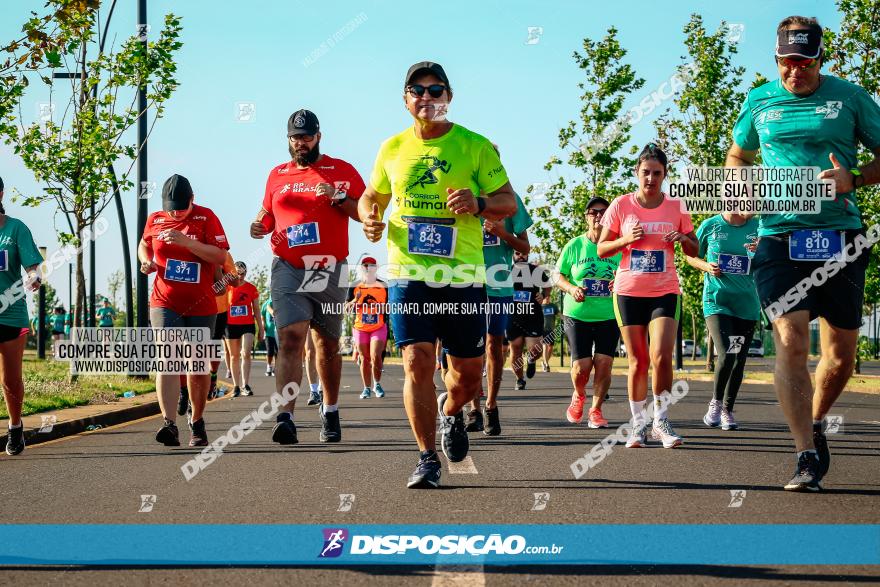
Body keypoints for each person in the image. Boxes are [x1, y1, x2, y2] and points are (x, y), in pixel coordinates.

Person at [726, 16, 880, 491]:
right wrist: (737, 195)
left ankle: (815, 420)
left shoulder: (850, 98)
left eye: (804, 62)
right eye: (786, 62)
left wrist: (854, 178)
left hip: (840, 235)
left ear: (820, 59)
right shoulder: (759, 100)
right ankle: (805, 454)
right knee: (790, 343)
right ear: (776, 59)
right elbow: (738, 156)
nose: (795, 72)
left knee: (840, 356)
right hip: (778, 237)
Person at [359, 61, 516, 488]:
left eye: (436, 90)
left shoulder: (474, 146)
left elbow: (508, 202)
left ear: (448, 97)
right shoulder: (391, 148)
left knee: (467, 377)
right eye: (418, 90)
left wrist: (480, 204)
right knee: (416, 362)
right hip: (409, 275)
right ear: (406, 98)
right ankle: (426, 457)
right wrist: (370, 218)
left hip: (463, 276)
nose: (426, 97)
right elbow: (370, 197)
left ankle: (451, 411)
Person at [250, 108, 365, 444]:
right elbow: (268, 212)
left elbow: (364, 212)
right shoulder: (277, 174)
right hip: (287, 265)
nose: (300, 143)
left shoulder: (340, 170)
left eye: (306, 136)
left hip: (326, 266)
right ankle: (285, 417)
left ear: (318, 136)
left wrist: (338, 197)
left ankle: (330, 410)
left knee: (327, 344)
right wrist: (259, 225)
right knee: (290, 338)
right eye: (295, 137)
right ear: (288, 139)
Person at [598, 144, 698, 449]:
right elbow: (602, 248)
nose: (651, 178)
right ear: (636, 173)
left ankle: (661, 421)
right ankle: (638, 424)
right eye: (645, 172)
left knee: (661, 356)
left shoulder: (676, 207)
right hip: (628, 292)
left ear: (665, 175)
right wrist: (627, 239)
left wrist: (683, 238)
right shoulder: (621, 205)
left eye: (657, 173)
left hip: (664, 290)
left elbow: (694, 248)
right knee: (638, 361)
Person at [139, 174, 229, 447]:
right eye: (171, 208)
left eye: (181, 207)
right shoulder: (155, 219)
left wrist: (186, 242)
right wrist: (146, 261)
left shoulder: (206, 217)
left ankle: (197, 420)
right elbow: (144, 243)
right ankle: (168, 423)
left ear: (192, 200)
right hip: (165, 300)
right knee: (167, 358)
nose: (175, 213)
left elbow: (220, 256)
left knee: (196, 364)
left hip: (201, 302)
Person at [465, 186, 532, 435]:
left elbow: (524, 248)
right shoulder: (465, 198)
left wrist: (503, 233)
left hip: (498, 285)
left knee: (493, 344)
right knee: (472, 345)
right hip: (466, 282)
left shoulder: (511, 202)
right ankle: (474, 408)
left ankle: (491, 406)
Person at [686, 213, 761, 431]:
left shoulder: (759, 226)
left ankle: (728, 410)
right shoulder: (711, 225)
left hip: (746, 306)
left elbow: (769, 260)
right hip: (717, 301)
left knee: (738, 360)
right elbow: (690, 256)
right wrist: (706, 266)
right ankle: (716, 403)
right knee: (727, 352)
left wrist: (760, 252)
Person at [556, 197, 622, 429]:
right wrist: (572, 288)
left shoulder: (617, 246)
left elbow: (627, 274)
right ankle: (578, 394)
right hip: (577, 314)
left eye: (603, 212)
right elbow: (558, 275)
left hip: (609, 315)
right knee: (581, 368)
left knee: (604, 363)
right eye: (593, 212)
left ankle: (596, 410)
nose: (598, 216)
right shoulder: (574, 246)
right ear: (586, 217)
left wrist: (619, 282)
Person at [0, 176, 44, 455]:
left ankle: (15, 427)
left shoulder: (16, 229)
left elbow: (33, 267)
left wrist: (34, 277)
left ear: (1, 195)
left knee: (10, 379)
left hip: (10, 315)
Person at [345, 256, 388, 399]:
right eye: (365, 266)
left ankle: (377, 384)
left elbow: (391, 307)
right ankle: (366, 388)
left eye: (370, 266)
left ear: (375, 268)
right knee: (364, 358)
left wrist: (380, 307)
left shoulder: (383, 285)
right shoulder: (355, 285)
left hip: (378, 327)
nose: (367, 268)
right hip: (360, 328)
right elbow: (346, 308)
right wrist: (355, 300)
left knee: (375, 355)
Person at [506, 251, 550, 391]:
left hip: (533, 315)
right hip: (513, 316)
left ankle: (531, 359)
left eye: (523, 254)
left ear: (528, 255)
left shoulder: (535, 270)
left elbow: (548, 285)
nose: (521, 256)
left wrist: (543, 295)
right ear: (512, 255)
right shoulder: (506, 270)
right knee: (516, 348)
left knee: (535, 350)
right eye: (517, 253)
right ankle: (519, 379)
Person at [226, 261, 263, 397]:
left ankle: (245, 385)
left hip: (247, 324)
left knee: (246, 353)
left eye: (243, 273)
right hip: (231, 325)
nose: (240, 276)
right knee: (234, 356)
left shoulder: (251, 288)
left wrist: (261, 328)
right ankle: (236, 386)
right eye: (238, 273)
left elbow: (257, 310)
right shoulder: (227, 287)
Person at [540, 295, 559, 372]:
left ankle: (545, 362)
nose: (548, 298)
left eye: (549, 297)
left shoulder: (553, 306)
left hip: (551, 330)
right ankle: (546, 364)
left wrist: (566, 319)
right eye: (546, 297)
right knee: (545, 346)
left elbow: (559, 314)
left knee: (550, 347)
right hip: (543, 330)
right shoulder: (539, 307)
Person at [261, 296, 277, 376]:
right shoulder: (266, 304)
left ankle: (276, 369)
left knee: (277, 352)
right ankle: (269, 366)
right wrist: (263, 324)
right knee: (270, 351)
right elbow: (262, 315)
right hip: (269, 332)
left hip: (278, 332)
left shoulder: (281, 303)